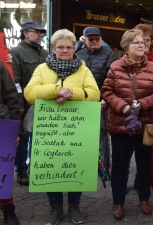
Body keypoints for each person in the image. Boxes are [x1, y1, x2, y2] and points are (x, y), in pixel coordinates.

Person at [23, 29, 100, 225]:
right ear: (53, 48)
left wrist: (70, 92)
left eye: (69, 47)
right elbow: (30, 93)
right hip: (50, 130)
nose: (65, 50)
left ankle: (74, 206)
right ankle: (55, 208)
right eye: (60, 47)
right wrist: (56, 90)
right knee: (52, 167)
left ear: (75, 48)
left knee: (76, 166)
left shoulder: (83, 69)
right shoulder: (42, 69)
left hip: (76, 128)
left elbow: (94, 94)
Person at [101, 29, 153, 219]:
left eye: (144, 42)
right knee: (120, 165)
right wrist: (124, 107)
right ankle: (118, 202)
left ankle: (144, 198)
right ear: (126, 46)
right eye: (137, 42)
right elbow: (107, 91)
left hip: (145, 124)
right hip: (120, 123)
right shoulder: (115, 67)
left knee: (144, 164)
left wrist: (141, 104)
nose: (142, 45)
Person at [9, 21, 48, 186]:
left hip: (44, 102)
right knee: (24, 138)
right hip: (25, 103)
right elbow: (15, 81)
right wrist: (19, 104)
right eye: (37, 32)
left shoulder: (45, 53)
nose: (40, 35)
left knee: (40, 139)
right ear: (26, 33)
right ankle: (22, 171)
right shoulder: (16, 52)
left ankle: (37, 169)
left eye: (41, 33)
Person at [75, 27, 116, 180]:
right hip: (82, 101)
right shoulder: (78, 54)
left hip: (101, 102)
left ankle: (105, 171)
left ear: (101, 39)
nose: (94, 41)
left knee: (102, 136)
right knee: (82, 136)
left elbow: (111, 79)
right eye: (90, 38)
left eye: (96, 38)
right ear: (84, 39)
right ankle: (84, 167)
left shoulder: (108, 54)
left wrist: (105, 98)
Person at [128, 23, 153, 188]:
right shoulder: (123, 61)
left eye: (148, 40)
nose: (145, 44)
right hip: (129, 113)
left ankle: (146, 185)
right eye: (141, 40)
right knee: (126, 154)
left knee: (149, 153)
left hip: (150, 112)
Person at [0, 58, 21, 225]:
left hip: (1, 124)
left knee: (1, 170)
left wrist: (15, 128)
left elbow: (11, 96)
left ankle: (7, 208)